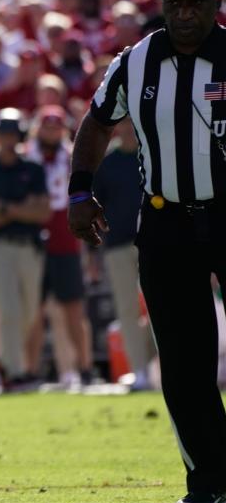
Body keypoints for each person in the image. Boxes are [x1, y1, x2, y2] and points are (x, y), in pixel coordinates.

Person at [69, 0, 226, 503]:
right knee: (184, 363)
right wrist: (79, 190)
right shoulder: (134, 62)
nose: (184, 15)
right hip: (166, 222)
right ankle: (207, 480)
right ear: (162, 3)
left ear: (217, 2)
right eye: (174, 3)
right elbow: (96, 122)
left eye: (195, 4)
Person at [0, 108, 51, 390]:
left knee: (30, 310)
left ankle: (5, 361)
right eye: (3, 134)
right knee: (9, 309)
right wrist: (21, 208)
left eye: (12, 134)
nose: (7, 140)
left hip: (28, 246)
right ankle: (14, 373)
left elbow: (42, 212)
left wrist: (4, 208)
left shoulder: (33, 169)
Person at [24, 106, 94, 387]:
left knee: (74, 309)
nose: (51, 133)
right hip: (35, 241)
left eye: (56, 128)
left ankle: (85, 367)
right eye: (46, 127)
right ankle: (30, 369)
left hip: (66, 240)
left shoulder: (71, 156)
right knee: (34, 310)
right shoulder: (26, 155)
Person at [92, 119, 156, 390]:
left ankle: (159, 366)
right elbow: (96, 208)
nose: (129, 128)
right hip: (117, 245)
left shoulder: (150, 153)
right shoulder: (107, 163)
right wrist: (92, 252)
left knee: (160, 306)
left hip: (154, 242)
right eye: (125, 123)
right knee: (127, 309)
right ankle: (139, 370)